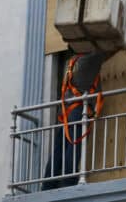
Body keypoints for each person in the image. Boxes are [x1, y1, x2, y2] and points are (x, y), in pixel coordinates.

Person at [42, 50, 110, 190]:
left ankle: (48, 185)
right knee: (74, 147)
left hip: (67, 113)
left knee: (59, 149)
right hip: (78, 112)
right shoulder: (90, 59)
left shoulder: (72, 62)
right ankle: (68, 181)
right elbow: (107, 49)